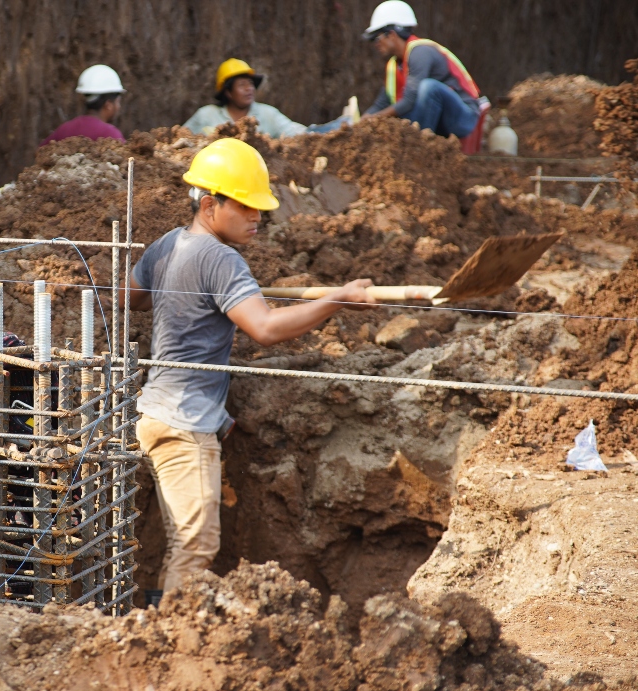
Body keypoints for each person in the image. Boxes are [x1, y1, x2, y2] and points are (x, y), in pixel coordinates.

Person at [124, 139, 376, 602]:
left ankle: (161, 620)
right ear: (209, 204)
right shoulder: (221, 258)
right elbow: (264, 327)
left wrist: (187, 290)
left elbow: (129, 296)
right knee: (195, 545)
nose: (257, 217)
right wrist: (337, 299)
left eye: (260, 208)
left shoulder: (168, 246)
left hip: (156, 411)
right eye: (245, 207)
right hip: (185, 423)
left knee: (186, 540)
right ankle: (168, 639)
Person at [362, 0, 485, 140]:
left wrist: (373, 120)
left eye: (376, 38)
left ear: (391, 34)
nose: (376, 44)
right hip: (436, 119)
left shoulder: (420, 52)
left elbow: (409, 101)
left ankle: (419, 146)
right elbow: (381, 104)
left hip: (463, 118)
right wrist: (361, 122)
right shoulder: (395, 65)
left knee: (429, 87)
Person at [183, 59, 346, 138]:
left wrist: (333, 130)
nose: (249, 89)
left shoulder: (267, 114)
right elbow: (179, 138)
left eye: (250, 84)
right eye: (242, 85)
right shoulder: (206, 115)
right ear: (228, 92)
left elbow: (297, 132)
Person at [41, 65, 126, 146]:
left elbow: (41, 153)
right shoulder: (111, 135)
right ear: (108, 105)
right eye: (118, 102)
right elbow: (129, 160)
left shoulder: (65, 129)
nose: (119, 107)